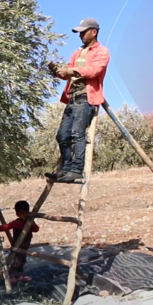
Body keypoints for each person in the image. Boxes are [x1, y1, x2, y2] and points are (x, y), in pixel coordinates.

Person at [46, 18, 110, 183]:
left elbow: (93, 71)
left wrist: (70, 70)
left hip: (85, 97)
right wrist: (58, 72)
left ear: (94, 32)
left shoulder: (101, 52)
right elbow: (68, 74)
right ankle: (65, 170)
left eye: (84, 31)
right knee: (62, 136)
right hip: (72, 98)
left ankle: (76, 170)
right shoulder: (77, 52)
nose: (81, 35)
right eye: (80, 32)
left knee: (77, 134)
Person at [0, 201, 39, 282]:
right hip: (17, 246)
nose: (24, 215)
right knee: (17, 262)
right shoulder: (16, 222)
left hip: (25, 246)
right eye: (22, 213)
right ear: (17, 214)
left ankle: (21, 276)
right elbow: (7, 226)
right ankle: (10, 274)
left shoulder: (30, 222)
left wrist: (33, 225)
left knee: (23, 262)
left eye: (26, 212)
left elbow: (36, 229)